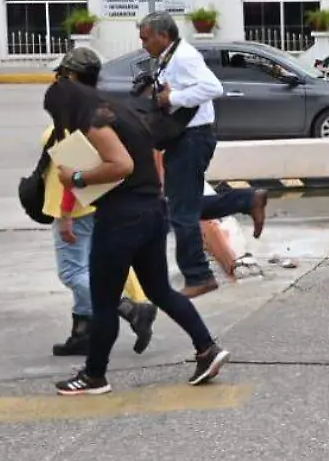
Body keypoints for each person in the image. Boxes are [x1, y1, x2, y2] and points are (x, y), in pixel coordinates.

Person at [48, 78, 230, 396]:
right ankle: (207, 349)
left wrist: (75, 178)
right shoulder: (120, 112)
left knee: (104, 302)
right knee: (160, 290)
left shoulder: (94, 122)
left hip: (121, 219)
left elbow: (121, 165)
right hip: (151, 212)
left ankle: (94, 376)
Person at [136, 13, 264, 299]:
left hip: (192, 139)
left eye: (146, 38)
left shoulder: (183, 56)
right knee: (183, 206)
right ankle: (248, 199)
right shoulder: (170, 57)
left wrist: (172, 98)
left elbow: (213, 88)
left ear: (163, 36)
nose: (143, 44)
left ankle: (198, 275)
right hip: (184, 137)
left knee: (182, 212)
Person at [42, 46, 155, 359]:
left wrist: (65, 213)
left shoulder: (74, 113)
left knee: (72, 272)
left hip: (75, 205)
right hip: (98, 203)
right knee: (87, 268)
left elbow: (72, 169)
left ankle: (130, 309)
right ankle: (83, 333)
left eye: (63, 75)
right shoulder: (100, 108)